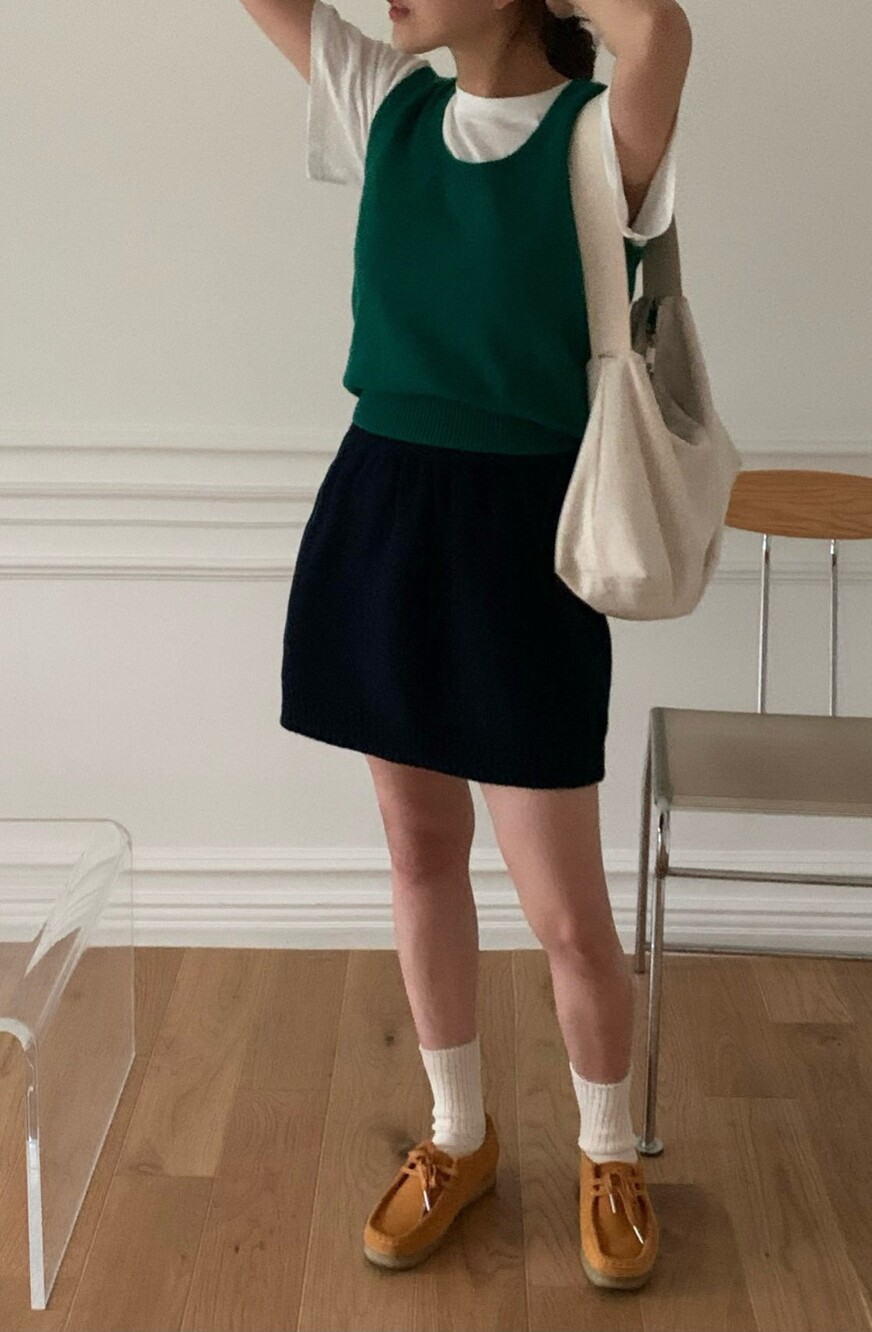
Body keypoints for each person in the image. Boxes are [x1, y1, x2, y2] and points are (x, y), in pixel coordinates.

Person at [240, 0, 689, 1290]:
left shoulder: (603, 136)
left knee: (565, 909)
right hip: (383, 506)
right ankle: (456, 1135)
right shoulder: (390, 104)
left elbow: (658, 30)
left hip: (524, 534)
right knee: (419, 851)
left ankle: (610, 1151)